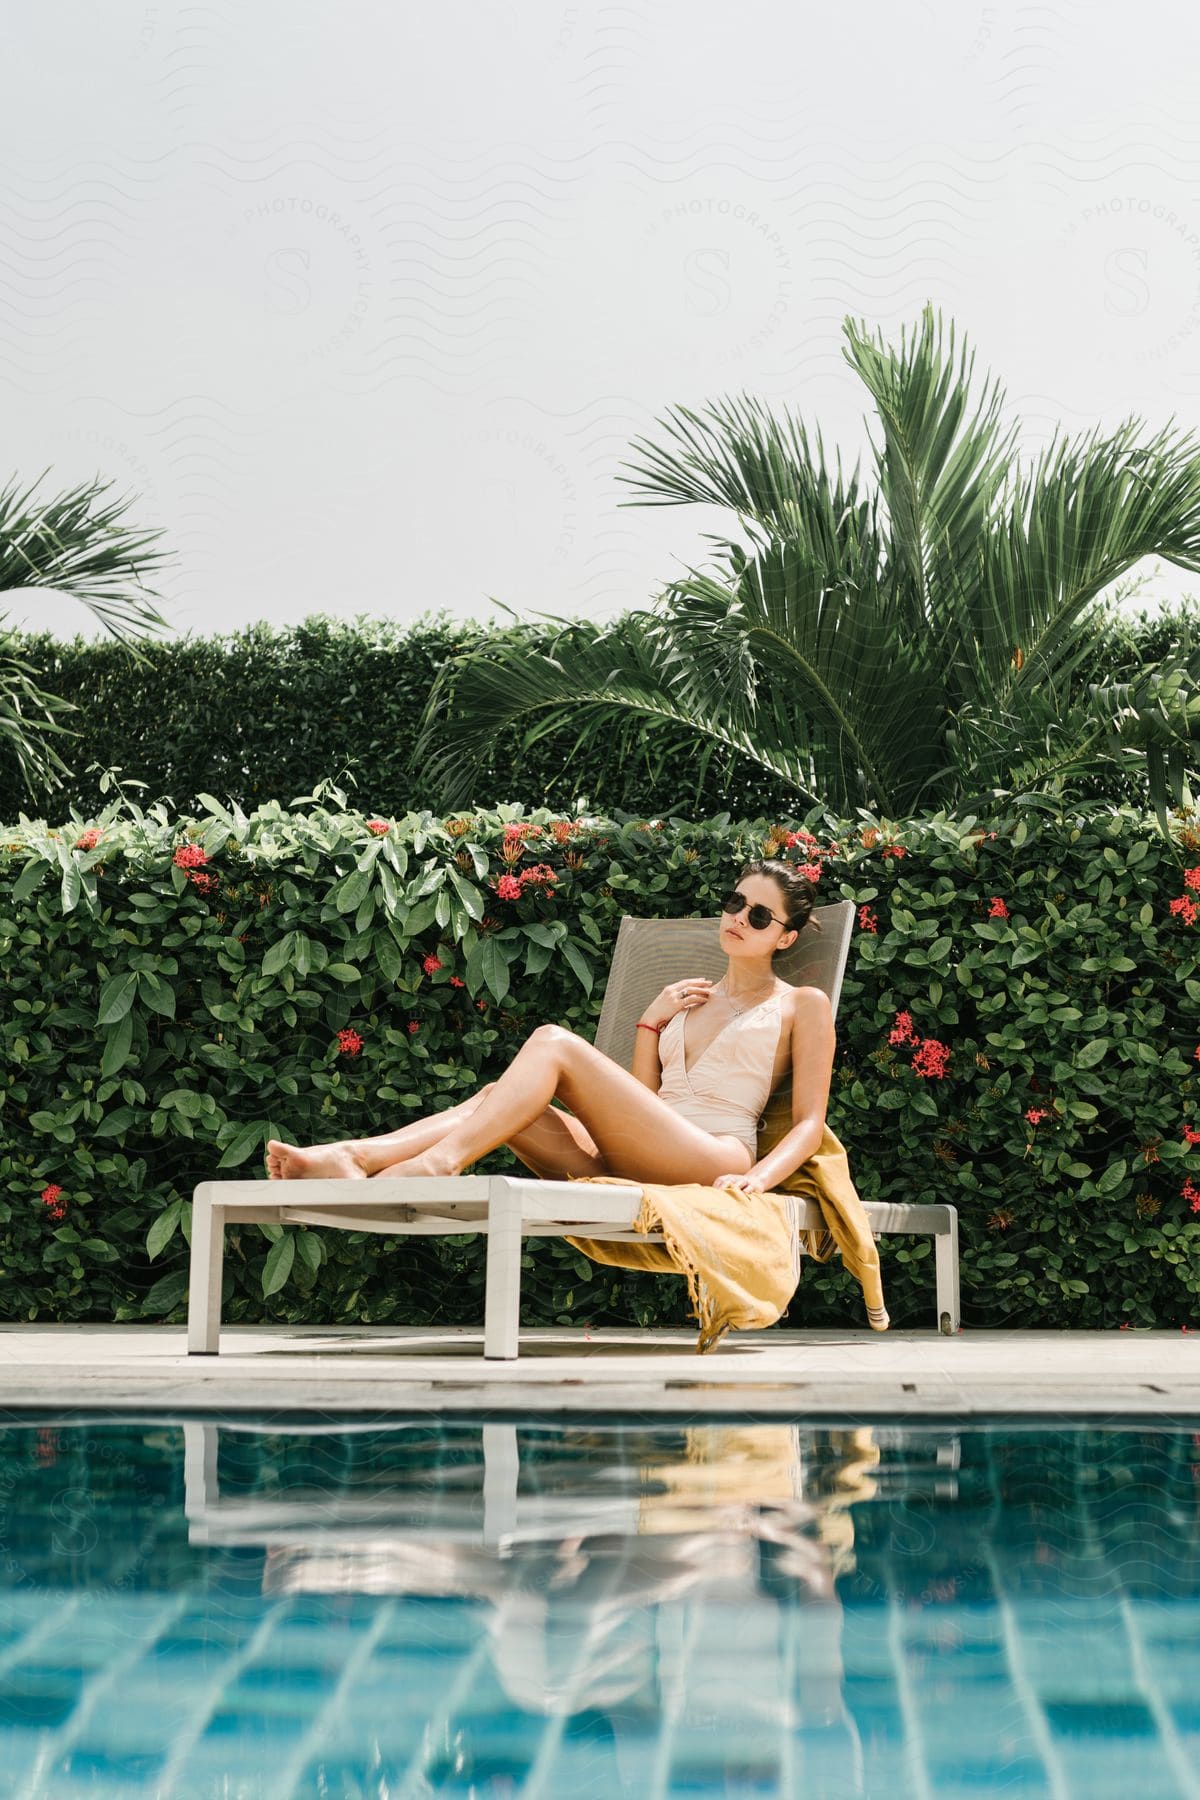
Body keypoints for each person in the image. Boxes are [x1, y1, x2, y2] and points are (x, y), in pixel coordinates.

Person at [265, 859, 834, 1200]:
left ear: (785, 937)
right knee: (499, 1100)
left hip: (715, 1156)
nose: (738, 918)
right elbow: (646, 1102)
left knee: (554, 1041)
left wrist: (758, 1181)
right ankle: (356, 1157)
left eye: (759, 915)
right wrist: (650, 1023)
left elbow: (809, 1123)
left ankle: (439, 1162)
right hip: (648, 1150)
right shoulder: (688, 998)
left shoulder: (802, 1004)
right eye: (736, 902)